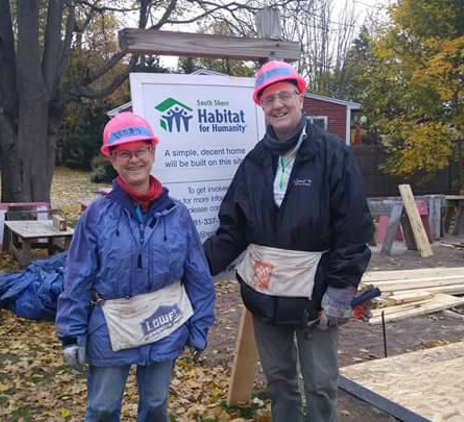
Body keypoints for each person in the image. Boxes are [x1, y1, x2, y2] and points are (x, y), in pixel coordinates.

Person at [203, 61, 373, 422]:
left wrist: (341, 289)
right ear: (261, 106)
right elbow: (233, 229)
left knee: (322, 384)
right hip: (266, 293)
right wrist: (192, 267)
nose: (277, 104)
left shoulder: (332, 155)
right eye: (268, 99)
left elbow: (354, 227)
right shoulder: (254, 163)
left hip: (317, 294)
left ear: (300, 99)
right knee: (280, 379)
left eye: (284, 95)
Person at [56, 112, 215, 422]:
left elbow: (198, 275)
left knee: (156, 406)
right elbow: (77, 277)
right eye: (123, 153)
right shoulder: (97, 215)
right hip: (112, 325)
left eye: (140, 150)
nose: (133, 160)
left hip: (164, 323)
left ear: (152, 153)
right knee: (102, 408)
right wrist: (72, 334)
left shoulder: (177, 214)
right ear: (112, 160)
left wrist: (199, 326)